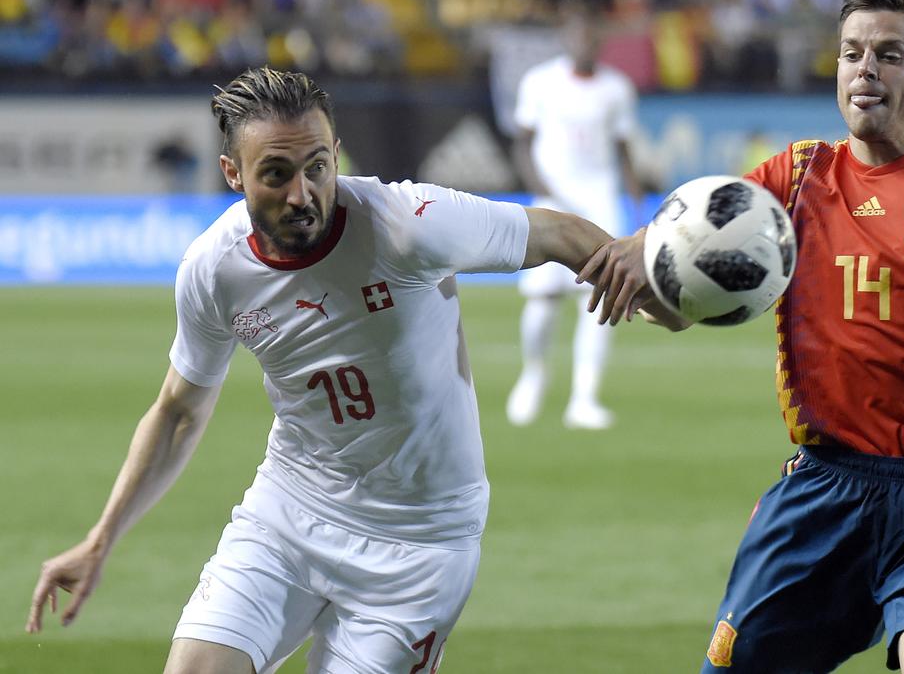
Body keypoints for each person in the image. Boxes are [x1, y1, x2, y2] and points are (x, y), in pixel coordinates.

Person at [25, 66, 679, 673]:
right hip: (287, 514)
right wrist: (101, 539)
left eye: (317, 167)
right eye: (275, 174)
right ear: (232, 172)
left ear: (336, 155)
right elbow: (177, 411)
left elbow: (558, 235)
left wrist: (658, 296)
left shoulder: (407, 225)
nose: (302, 194)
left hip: (421, 545)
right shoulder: (214, 269)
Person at [581, 0, 904, 674]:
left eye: (889, 55)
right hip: (823, 491)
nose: (865, 69)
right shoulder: (795, 177)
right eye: (851, 53)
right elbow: (687, 279)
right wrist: (642, 263)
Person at [505, 0, 643, 430]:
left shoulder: (617, 88)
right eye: (577, 34)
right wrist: (540, 187)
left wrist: (636, 197)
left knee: (600, 295)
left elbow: (623, 148)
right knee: (544, 297)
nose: (584, 41)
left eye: (591, 34)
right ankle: (533, 374)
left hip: (599, 199)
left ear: (599, 40)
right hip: (554, 201)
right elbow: (522, 142)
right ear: (566, 38)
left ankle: (584, 398)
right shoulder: (540, 82)